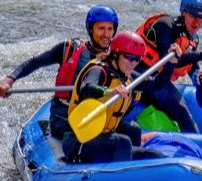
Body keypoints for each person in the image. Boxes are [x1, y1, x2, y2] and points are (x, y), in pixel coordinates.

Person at [0, 5, 118, 139]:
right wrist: (9, 80)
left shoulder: (118, 56)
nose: (106, 34)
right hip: (63, 113)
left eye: (110, 29)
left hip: (96, 113)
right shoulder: (69, 49)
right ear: (91, 29)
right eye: (101, 28)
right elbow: (34, 63)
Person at [133, 0, 202, 132]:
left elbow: (191, 68)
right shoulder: (165, 25)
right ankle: (197, 151)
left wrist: (201, 80)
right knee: (182, 112)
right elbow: (168, 59)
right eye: (194, 16)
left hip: (159, 81)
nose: (197, 22)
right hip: (140, 77)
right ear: (184, 12)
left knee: (185, 109)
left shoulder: (192, 39)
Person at [63, 31, 157, 164]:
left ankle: (136, 170)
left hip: (103, 134)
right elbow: (86, 88)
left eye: (137, 59)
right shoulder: (99, 70)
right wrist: (108, 92)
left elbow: (157, 85)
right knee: (122, 143)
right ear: (115, 54)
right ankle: (119, 179)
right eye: (128, 57)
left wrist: (171, 63)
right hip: (79, 139)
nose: (133, 63)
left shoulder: (125, 74)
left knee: (134, 130)